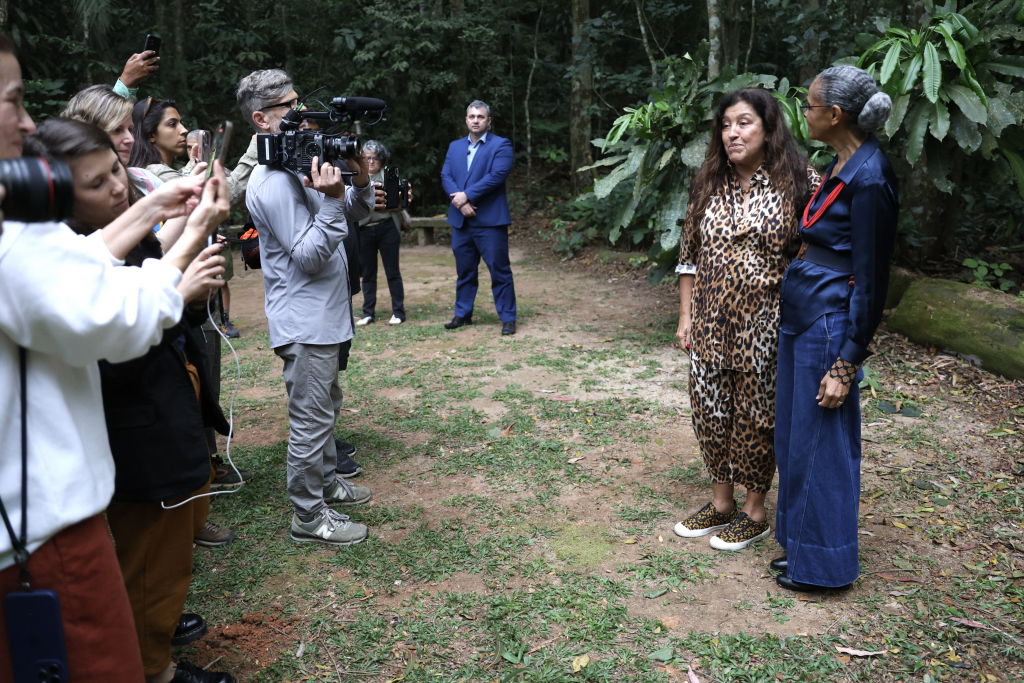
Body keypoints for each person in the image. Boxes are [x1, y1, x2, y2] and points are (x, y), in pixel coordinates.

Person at [0, 33, 229, 682]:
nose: (25, 120)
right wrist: (180, 265)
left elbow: (73, 266)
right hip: (44, 539)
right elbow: (107, 316)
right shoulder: (11, 247)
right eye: (13, 101)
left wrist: (157, 207)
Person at [672, 89, 818, 551]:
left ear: (769, 128)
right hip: (710, 320)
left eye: (744, 123)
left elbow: (819, 249)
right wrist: (685, 317)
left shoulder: (800, 179)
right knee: (710, 411)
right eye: (726, 125)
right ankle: (721, 505)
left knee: (757, 418)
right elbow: (688, 258)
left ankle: (755, 511)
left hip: (768, 324)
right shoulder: (708, 181)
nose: (732, 133)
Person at [773, 66, 898, 593]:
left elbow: (872, 283)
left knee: (823, 445)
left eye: (809, 106)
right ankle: (801, 547)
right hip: (803, 311)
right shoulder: (839, 162)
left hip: (830, 321)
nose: (804, 114)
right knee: (796, 439)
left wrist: (846, 365)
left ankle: (824, 567)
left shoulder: (871, 177)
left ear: (835, 114)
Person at [238, 68, 374, 545]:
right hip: (304, 320)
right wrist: (334, 201)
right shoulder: (271, 183)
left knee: (327, 407)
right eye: (291, 108)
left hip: (328, 314)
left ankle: (328, 483)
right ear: (262, 119)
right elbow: (310, 255)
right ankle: (308, 516)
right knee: (310, 421)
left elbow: (358, 212)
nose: (305, 115)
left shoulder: (301, 164)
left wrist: (357, 179)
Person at [440, 100, 517, 336]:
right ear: (466, 120)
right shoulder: (454, 147)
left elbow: (496, 176)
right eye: (472, 116)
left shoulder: (501, 145)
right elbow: (446, 175)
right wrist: (460, 202)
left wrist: (466, 196)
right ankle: (463, 314)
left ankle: (508, 317)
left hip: (490, 221)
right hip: (461, 221)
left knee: (499, 270)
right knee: (465, 271)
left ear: (488, 121)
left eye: (480, 117)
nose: (475, 120)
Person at [355, 140, 412, 326]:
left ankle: (398, 311)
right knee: (368, 273)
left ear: (382, 159)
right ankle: (368, 312)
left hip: (387, 228)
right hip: (364, 230)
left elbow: (397, 203)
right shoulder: (356, 176)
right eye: (367, 158)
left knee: (392, 271)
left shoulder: (389, 175)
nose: (370, 162)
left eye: (375, 158)